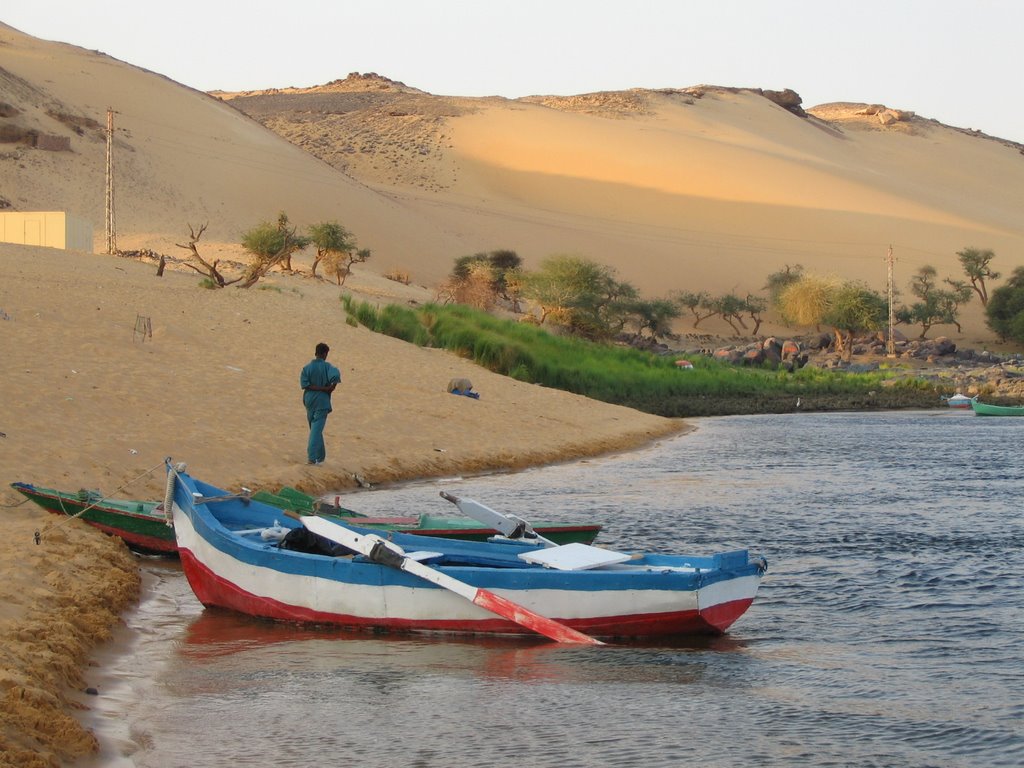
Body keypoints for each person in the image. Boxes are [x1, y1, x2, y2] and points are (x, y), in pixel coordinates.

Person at [300, 342, 341, 465]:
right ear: (324, 354)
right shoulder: (328, 367)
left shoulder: (306, 368)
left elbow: (305, 384)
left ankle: (320, 456)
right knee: (316, 429)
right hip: (321, 402)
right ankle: (312, 458)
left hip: (309, 401)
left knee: (315, 429)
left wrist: (320, 388)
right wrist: (327, 388)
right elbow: (336, 376)